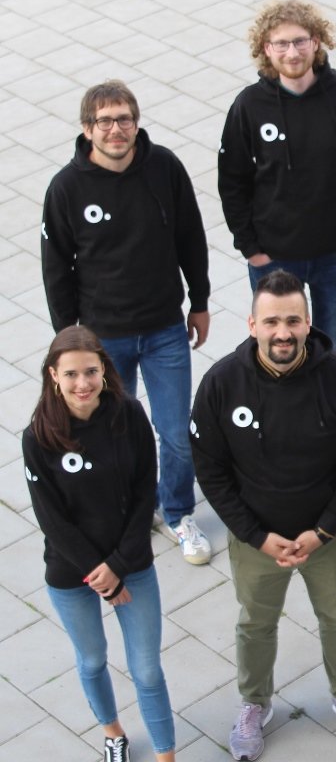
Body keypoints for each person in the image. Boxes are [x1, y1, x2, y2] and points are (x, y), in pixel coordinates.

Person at [189, 271, 336, 759]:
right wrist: (254, 535)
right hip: (257, 539)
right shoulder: (221, 384)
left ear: (308, 323)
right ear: (252, 324)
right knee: (255, 623)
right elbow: (210, 469)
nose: (283, 332)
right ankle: (254, 704)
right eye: (272, 321)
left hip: (329, 536)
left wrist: (324, 530)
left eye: (293, 321)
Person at [41, 80, 213, 566]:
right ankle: (128, 514)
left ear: (136, 123)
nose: (115, 129)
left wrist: (199, 301)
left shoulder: (165, 168)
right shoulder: (67, 188)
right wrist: (68, 342)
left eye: (124, 119)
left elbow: (191, 236)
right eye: (105, 121)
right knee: (113, 433)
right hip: (103, 339)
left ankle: (178, 512)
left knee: (176, 433)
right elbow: (57, 268)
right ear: (87, 129)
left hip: (164, 330)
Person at [23, 326, 178, 762]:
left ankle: (166, 756)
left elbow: (145, 491)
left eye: (90, 371)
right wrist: (101, 576)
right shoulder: (38, 437)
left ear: (104, 370)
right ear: (54, 375)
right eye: (71, 374)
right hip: (72, 571)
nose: (82, 383)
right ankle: (113, 733)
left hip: (131, 563)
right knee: (92, 660)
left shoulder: (128, 415)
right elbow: (53, 521)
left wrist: (119, 566)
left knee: (147, 670)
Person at [219, 0, 336, 354]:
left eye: (299, 41)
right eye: (281, 43)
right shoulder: (250, 105)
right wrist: (251, 248)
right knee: (278, 347)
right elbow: (232, 181)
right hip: (274, 256)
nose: (292, 53)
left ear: (316, 42)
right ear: (266, 48)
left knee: (334, 347)